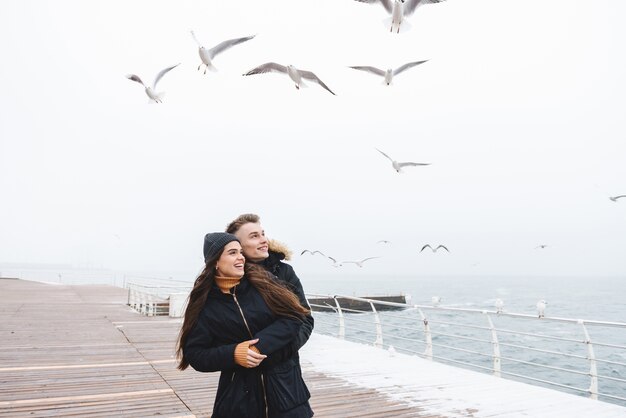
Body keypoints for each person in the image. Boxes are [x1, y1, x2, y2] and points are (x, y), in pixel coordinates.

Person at [177, 232, 314, 418]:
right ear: (215, 262)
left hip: (287, 394)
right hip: (239, 402)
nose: (241, 257)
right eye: (232, 253)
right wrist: (234, 353)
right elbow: (196, 354)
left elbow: (295, 315)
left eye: (240, 252)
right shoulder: (205, 304)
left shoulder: (263, 281)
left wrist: (259, 347)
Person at [226, 214, 314, 363]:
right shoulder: (229, 278)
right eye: (254, 236)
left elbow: (305, 318)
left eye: (263, 234)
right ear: (238, 246)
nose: (263, 240)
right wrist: (238, 354)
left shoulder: (284, 272)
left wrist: (281, 352)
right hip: (241, 375)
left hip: (285, 373)